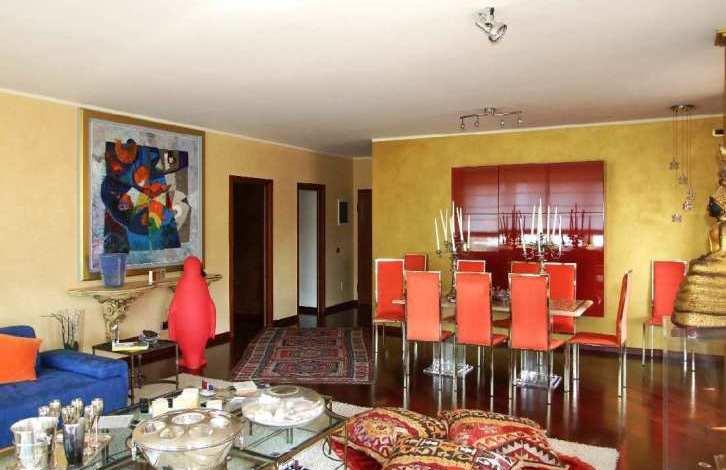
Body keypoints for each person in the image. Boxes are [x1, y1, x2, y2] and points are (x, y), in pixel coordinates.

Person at [168, 256, 216, 368]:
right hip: (203, 327)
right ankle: (197, 359)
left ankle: (189, 360)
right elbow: (211, 306)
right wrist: (212, 329)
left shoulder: (182, 283)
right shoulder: (202, 283)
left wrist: (171, 331)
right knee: (197, 340)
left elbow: (173, 309)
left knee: (187, 340)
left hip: (183, 326)